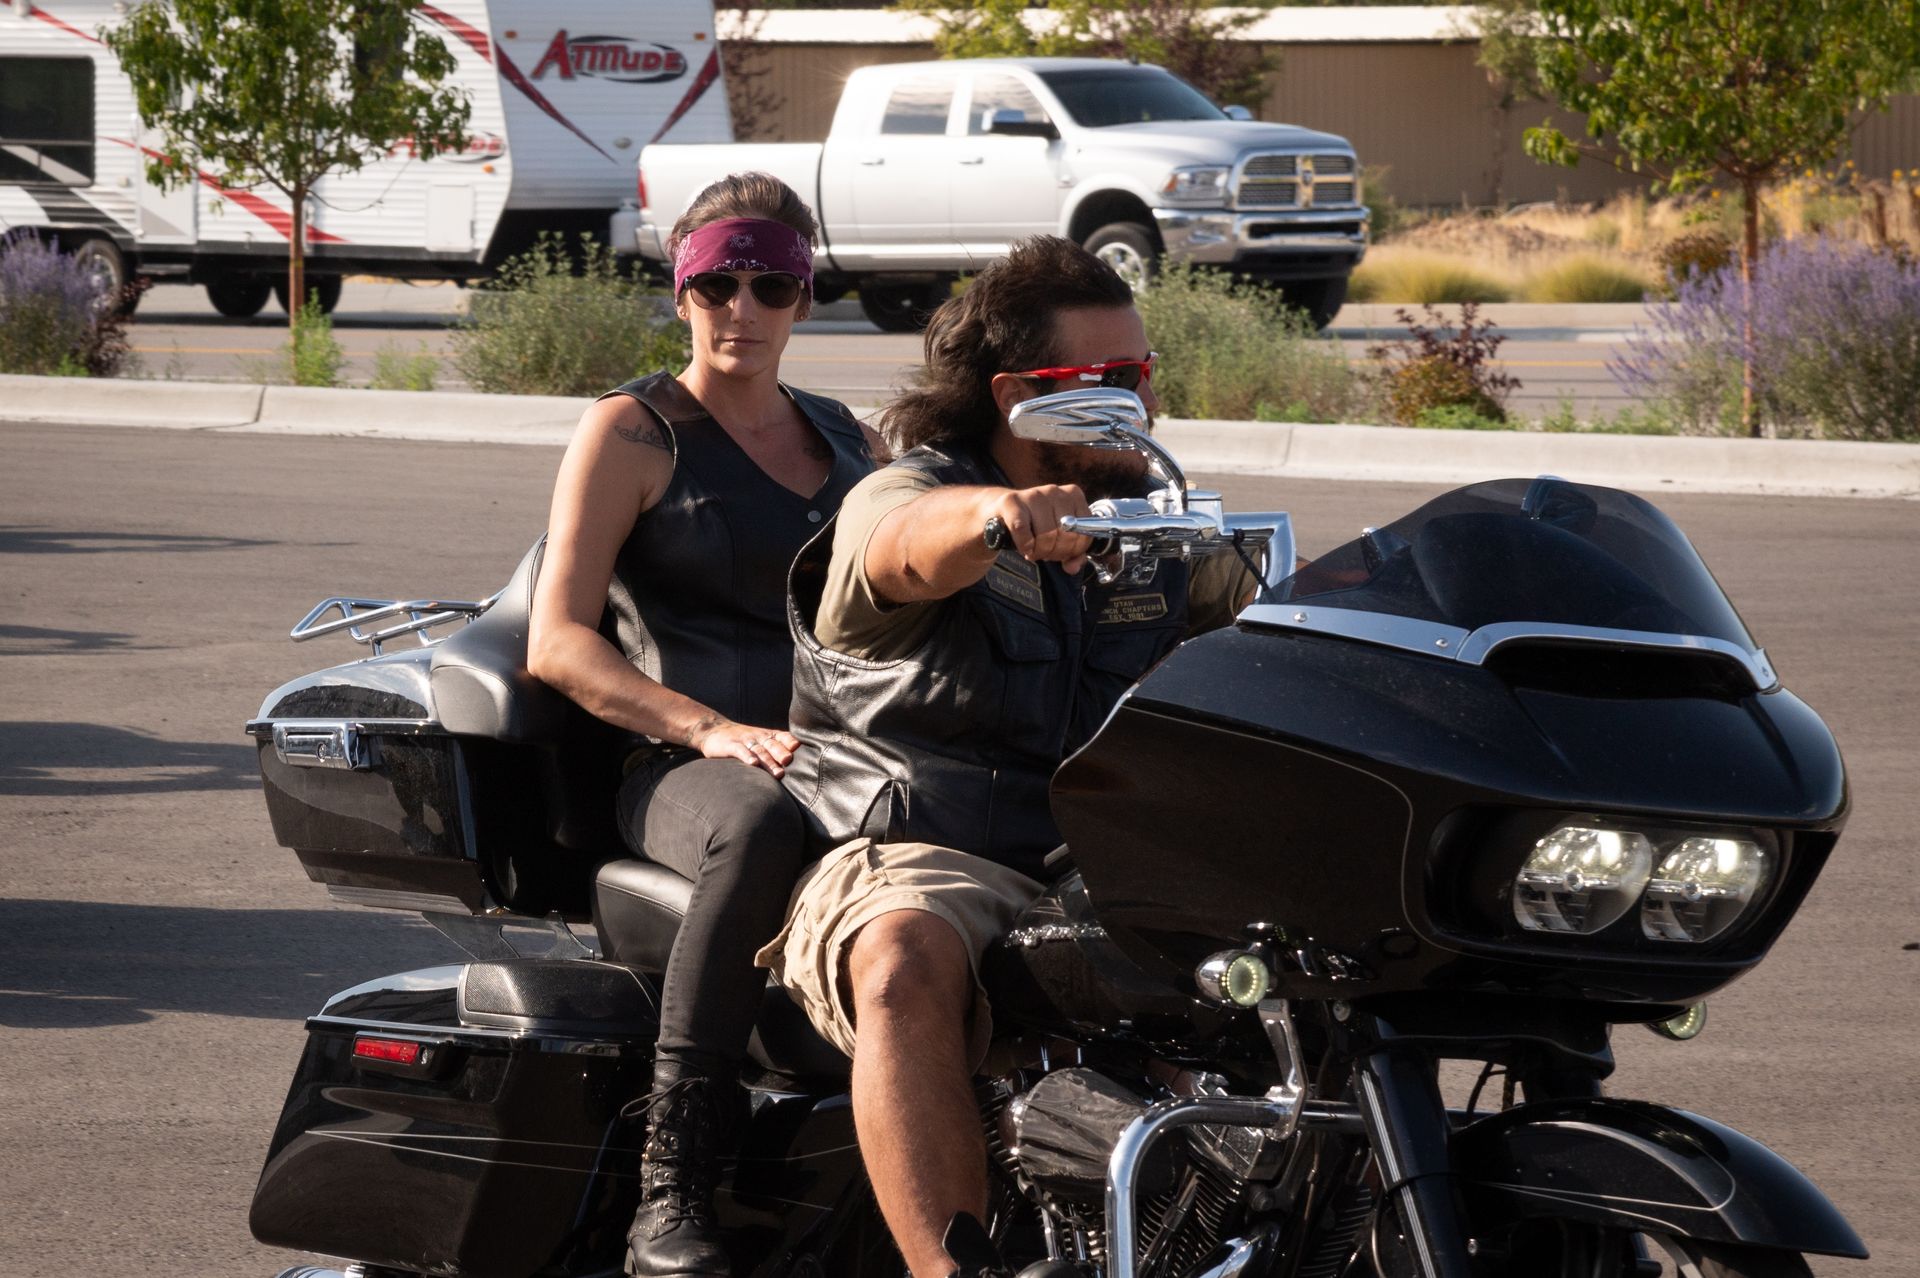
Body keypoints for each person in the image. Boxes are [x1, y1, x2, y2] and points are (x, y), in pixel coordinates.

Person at [756, 236, 1256, 1278]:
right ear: (1021, 394)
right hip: (924, 849)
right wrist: (997, 519)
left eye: (1143, 376)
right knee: (903, 958)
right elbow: (904, 546)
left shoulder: (1151, 525)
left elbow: (1277, 623)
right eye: (1109, 386)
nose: (1141, 405)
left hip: (1101, 862)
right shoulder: (906, 498)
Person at [525, 172, 881, 1278]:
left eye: (771, 283)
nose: (744, 307)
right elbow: (559, 643)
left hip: (835, 755)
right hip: (677, 764)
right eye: (717, 282)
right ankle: (673, 1179)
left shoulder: (849, 441)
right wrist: (708, 728)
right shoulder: (631, 432)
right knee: (763, 826)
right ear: (681, 290)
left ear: (803, 299)